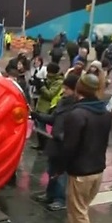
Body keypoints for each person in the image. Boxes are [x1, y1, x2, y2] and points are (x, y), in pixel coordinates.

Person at [59, 74, 112, 223]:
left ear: (79, 89)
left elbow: (69, 146)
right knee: (78, 208)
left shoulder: (77, 114)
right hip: (97, 169)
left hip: (80, 171)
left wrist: (59, 168)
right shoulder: (105, 112)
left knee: (79, 211)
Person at [30, 74, 80, 211]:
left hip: (65, 145)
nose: (64, 91)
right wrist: (37, 115)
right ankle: (50, 194)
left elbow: (76, 129)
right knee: (51, 170)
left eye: (67, 89)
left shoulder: (78, 107)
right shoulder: (63, 101)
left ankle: (60, 199)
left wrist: (63, 136)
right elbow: (53, 119)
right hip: (55, 143)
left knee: (61, 173)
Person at [33, 62, 63, 151]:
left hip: (47, 107)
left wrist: (42, 86)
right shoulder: (48, 79)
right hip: (40, 105)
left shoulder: (58, 82)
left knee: (42, 128)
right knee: (38, 127)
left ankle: (45, 147)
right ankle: (40, 145)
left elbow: (50, 94)